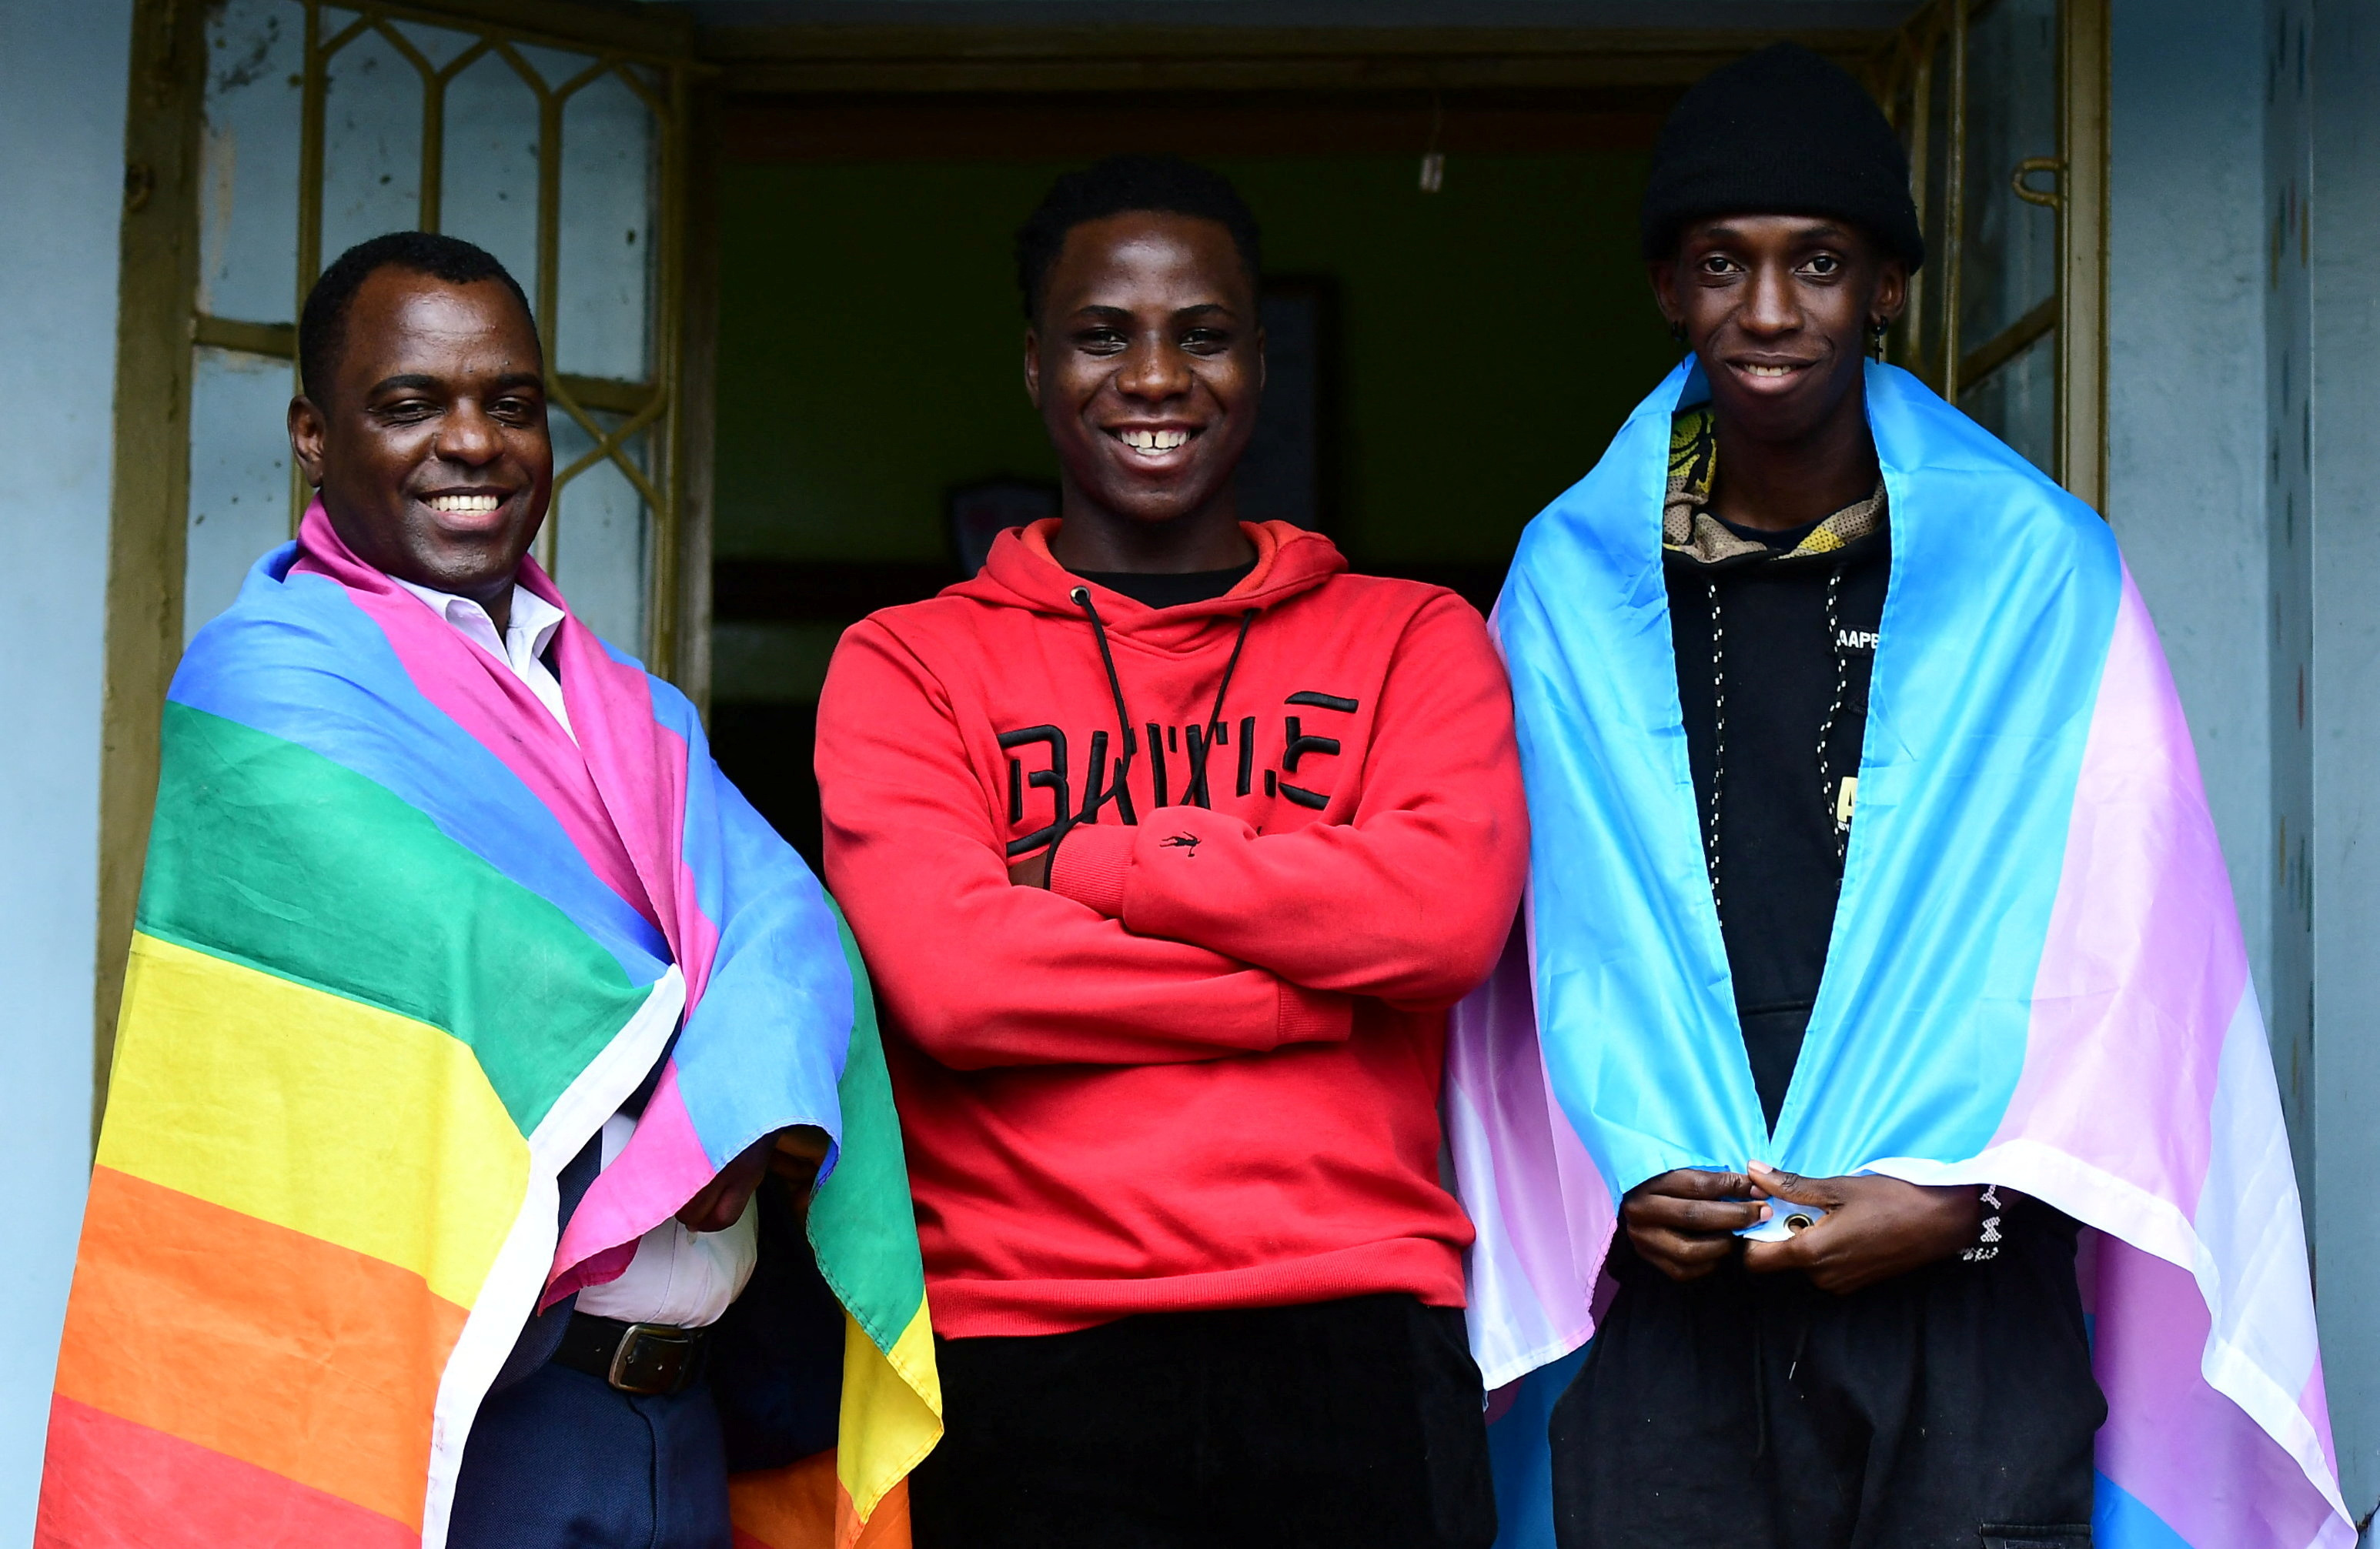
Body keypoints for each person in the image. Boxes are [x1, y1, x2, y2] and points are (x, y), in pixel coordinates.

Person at [1446, 43, 2352, 1549]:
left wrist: (1966, 1204)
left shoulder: (2034, 569)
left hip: (1963, 1302)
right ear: (1667, 289)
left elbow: (2135, 966)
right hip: (1674, 1309)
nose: (1768, 309)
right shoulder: (1567, 585)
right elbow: (1509, 960)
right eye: (1721, 263)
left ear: (1886, 289)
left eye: (1818, 261)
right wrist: (1613, 1175)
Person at [35, 232, 935, 1549]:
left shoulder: (629, 704)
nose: (473, 443)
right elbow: (494, 953)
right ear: (311, 434)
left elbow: (792, 925)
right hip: (474, 1424)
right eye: (412, 404)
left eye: (511, 404)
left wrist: (736, 1098)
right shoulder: (270, 689)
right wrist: (712, 1082)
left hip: (682, 1426)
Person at [814, 155, 1527, 1548]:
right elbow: (959, 984)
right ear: (1036, 364)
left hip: (1355, 1324)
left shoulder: (1413, 636)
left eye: (1201, 335)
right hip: (1025, 1338)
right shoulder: (908, 661)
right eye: (1104, 335)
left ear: (1259, 361)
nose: (1154, 377)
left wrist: (1093, 872)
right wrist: (1309, 980)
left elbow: (1442, 922)